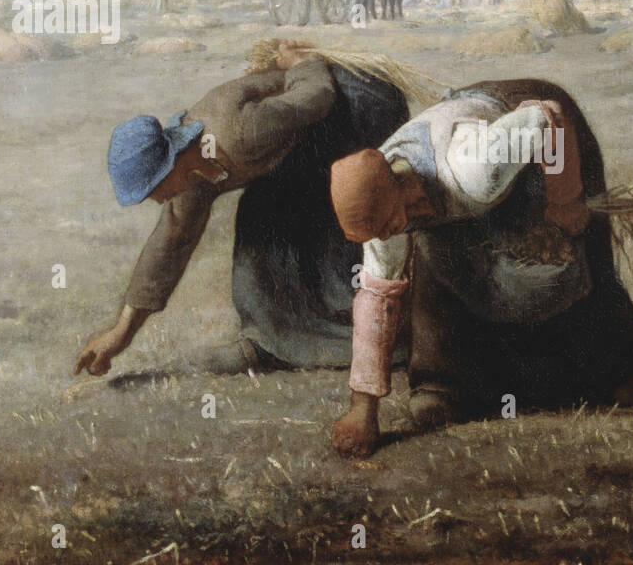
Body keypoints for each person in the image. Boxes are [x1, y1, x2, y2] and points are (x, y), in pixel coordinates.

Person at [325, 79, 633, 458]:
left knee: (566, 253)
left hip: (539, 128)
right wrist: (363, 410)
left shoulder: (473, 166)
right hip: (475, 148)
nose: (383, 237)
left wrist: (565, 197)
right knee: (442, 264)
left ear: (400, 187)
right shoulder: (384, 211)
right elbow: (378, 298)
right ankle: (444, 386)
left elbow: (548, 116)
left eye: (389, 226)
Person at [74, 40, 409, 381]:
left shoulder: (239, 132)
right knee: (260, 218)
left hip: (357, 104)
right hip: (309, 129)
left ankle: (379, 336)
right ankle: (270, 339)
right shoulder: (192, 175)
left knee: (321, 210)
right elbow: (169, 244)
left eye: (154, 189)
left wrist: (302, 63)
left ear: (171, 163)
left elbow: (315, 98)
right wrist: (120, 335)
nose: (157, 200)